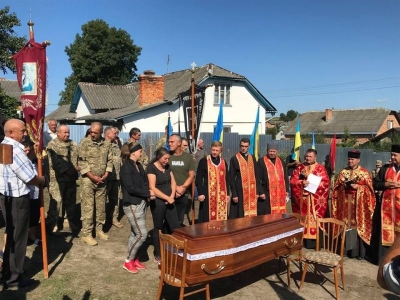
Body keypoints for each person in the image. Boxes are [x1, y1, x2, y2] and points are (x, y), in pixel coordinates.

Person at [0, 119, 45, 287]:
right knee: (18, 238)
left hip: (6, 196)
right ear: (11, 133)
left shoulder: (4, 145)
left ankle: (8, 270)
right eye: (22, 131)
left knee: (12, 235)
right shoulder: (14, 150)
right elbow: (29, 177)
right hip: (17, 199)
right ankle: (14, 277)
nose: (25, 133)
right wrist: (42, 179)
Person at [332, 150, 375, 260]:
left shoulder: (364, 173)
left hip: (358, 205)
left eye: (352, 159)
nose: (350, 161)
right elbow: (336, 188)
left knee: (357, 225)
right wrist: (343, 185)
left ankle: (357, 252)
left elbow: (370, 190)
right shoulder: (343, 172)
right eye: (349, 159)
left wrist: (359, 187)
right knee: (345, 224)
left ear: (358, 160)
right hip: (345, 204)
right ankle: (345, 250)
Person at [120, 142, 154, 273]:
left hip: (141, 203)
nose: (142, 153)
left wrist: (147, 195)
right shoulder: (126, 168)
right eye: (140, 150)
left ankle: (134, 258)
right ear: (133, 152)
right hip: (132, 204)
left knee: (135, 233)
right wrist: (147, 193)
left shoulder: (138, 165)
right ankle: (128, 261)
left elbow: (144, 183)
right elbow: (130, 188)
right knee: (142, 234)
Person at [78, 122, 113, 246]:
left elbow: (110, 160)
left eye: (95, 133)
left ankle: (99, 229)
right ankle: (87, 234)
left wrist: (106, 173)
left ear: (101, 132)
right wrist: (92, 176)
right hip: (88, 180)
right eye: (91, 132)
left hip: (102, 180)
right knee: (88, 207)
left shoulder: (107, 144)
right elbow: (81, 162)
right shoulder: (84, 143)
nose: (92, 134)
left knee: (100, 206)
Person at [147, 147, 181, 264]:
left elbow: (173, 182)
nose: (167, 161)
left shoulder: (167, 167)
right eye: (165, 158)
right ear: (158, 157)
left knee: (175, 225)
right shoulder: (151, 168)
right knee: (158, 228)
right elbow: (152, 187)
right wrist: (166, 198)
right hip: (158, 202)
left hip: (170, 200)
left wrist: (171, 196)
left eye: (168, 159)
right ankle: (158, 253)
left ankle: (175, 249)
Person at [290, 149, 330, 244]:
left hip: (314, 201)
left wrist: (311, 183)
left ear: (315, 157)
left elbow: (325, 183)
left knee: (314, 220)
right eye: (306, 156)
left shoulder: (320, 168)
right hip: (302, 201)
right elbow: (292, 181)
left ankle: (312, 243)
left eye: (310, 157)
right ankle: (302, 241)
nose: (307, 158)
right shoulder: (299, 167)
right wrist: (301, 182)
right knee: (302, 220)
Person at [46, 124, 79, 235]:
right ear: (58, 133)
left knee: (70, 203)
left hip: (71, 180)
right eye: (64, 132)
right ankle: (51, 226)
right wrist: (71, 170)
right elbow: (56, 163)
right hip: (57, 180)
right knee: (57, 202)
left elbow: (78, 159)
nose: (67, 134)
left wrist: (77, 168)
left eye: (68, 132)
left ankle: (70, 224)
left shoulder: (73, 144)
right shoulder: (52, 145)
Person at [372, 144, 400, 263]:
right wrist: (386, 185)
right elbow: (375, 183)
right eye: (391, 154)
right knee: (385, 232)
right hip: (386, 209)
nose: (392, 157)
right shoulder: (385, 168)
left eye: (395, 155)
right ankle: (383, 259)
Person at [196, 141, 230, 223]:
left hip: (221, 194)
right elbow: (199, 179)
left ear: (221, 150)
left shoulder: (223, 162)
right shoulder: (204, 161)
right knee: (206, 215)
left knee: (221, 216)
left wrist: (228, 193)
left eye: (216, 150)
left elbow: (226, 178)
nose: (214, 152)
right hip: (207, 193)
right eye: (213, 150)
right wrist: (200, 193)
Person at [228, 138, 261, 218]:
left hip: (252, 189)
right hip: (240, 188)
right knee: (240, 211)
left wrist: (257, 191)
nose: (244, 148)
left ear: (249, 146)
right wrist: (234, 194)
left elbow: (257, 175)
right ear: (240, 146)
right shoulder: (234, 158)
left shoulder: (252, 158)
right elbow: (231, 177)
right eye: (242, 146)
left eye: (246, 146)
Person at [168, 134, 195, 226]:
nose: (169, 144)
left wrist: (183, 188)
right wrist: (175, 189)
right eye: (169, 142)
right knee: (168, 220)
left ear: (179, 143)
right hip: (169, 193)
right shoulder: (167, 156)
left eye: (172, 142)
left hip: (182, 194)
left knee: (179, 221)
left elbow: (191, 175)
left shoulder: (188, 157)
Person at [257, 143, 289, 215]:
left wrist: (286, 190)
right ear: (267, 151)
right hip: (266, 192)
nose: (272, 153)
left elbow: (285, 177)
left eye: (274, 151)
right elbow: (257, 178)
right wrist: (261, 192)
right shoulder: (261, 162)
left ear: (277, 151)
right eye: (270, 151)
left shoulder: (281, 162)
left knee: (280, 213)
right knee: (267, 213)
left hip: (280, 192)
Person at [104, 126, 123, 229]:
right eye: (114, 133)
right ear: (108, 134)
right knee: (102, 200)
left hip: (116, 178)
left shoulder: (116, 145)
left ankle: (114, 218)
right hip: (105, 178)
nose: (116, 135)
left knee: (115, 200)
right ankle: (101, 221)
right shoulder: (102, 145)